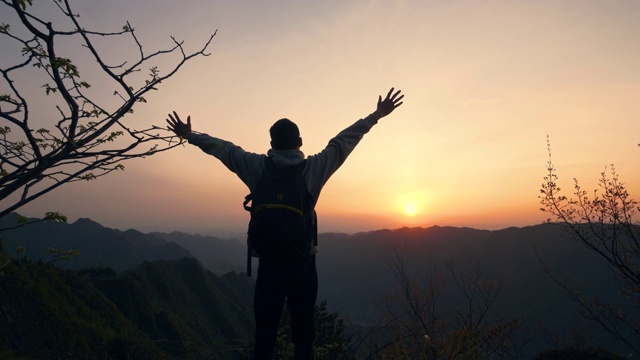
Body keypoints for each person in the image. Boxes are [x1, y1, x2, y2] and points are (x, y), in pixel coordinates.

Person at [165, 88, 404, 360]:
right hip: (302, 264)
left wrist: (189, 135)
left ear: (271, 143)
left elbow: (225, 150)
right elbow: (343, 141)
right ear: (300, 142)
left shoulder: (257, 167)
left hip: (269, 264)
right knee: (304, 335)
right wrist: (376, 115)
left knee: (265, 334)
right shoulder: (314, 169)